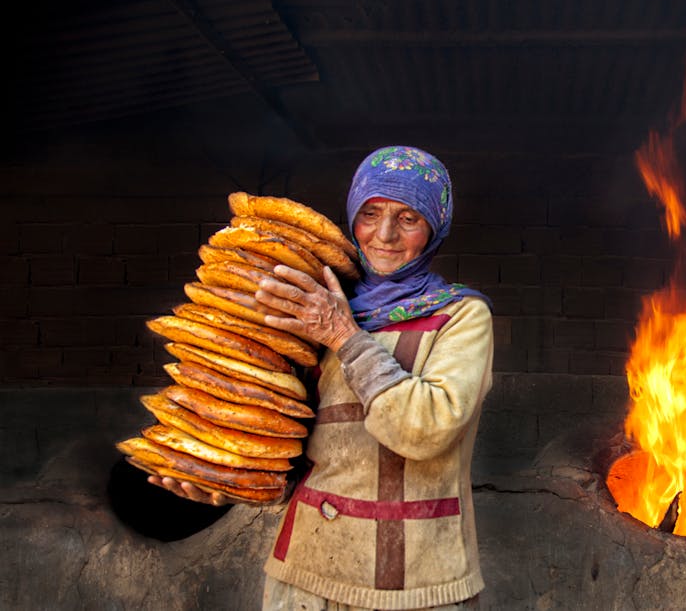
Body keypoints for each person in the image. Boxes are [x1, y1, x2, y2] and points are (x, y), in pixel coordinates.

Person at [149, 146, 494, 610]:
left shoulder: (460, 316)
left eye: (408, 218)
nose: (385, 235)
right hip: (306, 579)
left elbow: (426, 429)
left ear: (436, 226)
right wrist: (226, 477)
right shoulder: (313, 305)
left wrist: (344, 335)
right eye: (370, 214)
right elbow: (289, 445)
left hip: (420, 583)